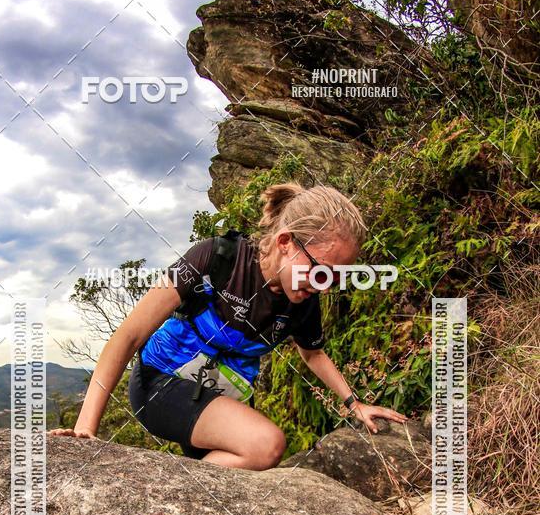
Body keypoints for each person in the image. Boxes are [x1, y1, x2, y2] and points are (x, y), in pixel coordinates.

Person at [51, 183, 406, 468]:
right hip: (161, 380)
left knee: (241, 462)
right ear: (285, 242)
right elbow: (129, 336)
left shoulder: (303, 298)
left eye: (335, 278)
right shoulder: (217, 258)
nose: (324, 285)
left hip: (218, 397)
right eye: (321, 270)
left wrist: (354, 404)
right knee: (265, 444)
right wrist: (86, 430)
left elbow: (312, 353)